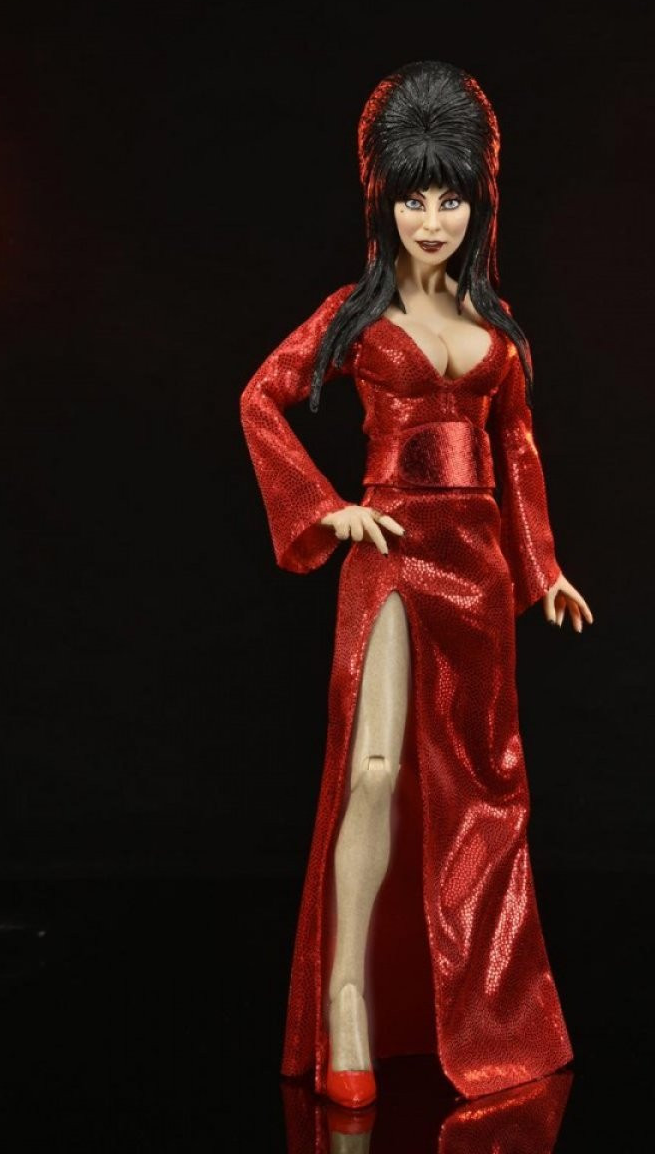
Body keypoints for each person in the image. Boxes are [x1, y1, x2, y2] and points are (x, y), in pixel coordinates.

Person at [239, 61, 593, 1110]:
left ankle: (476, 1008)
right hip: (393, 551)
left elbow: (518, 449)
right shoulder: (355, 314)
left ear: (478, 206)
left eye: (450, 200)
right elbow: (262, 398)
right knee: (377, 768)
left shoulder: (498, 323)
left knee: (481, 789)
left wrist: (543, 568)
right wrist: (326, 509)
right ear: (383, 203)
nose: (431, 221)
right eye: (413, 199)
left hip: (478, 568)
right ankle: (347, 997)